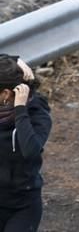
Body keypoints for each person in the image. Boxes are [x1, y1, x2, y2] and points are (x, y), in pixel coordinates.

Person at [0, 54, 51, 232]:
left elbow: (31, 151)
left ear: (5, 94)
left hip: (23, 205)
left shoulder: (37, 114)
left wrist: (20, 111)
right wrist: (13, 58)